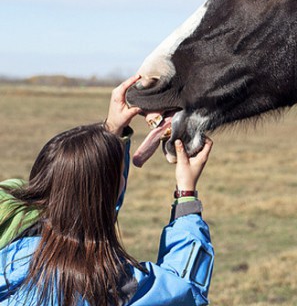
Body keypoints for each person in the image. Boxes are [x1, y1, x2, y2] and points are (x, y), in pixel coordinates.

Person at [0, 75, 214, 306]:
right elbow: (184, 291)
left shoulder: (11, 255)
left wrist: (112, 130)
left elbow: (91, 200)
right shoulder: (111, 282)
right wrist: (186, 196)